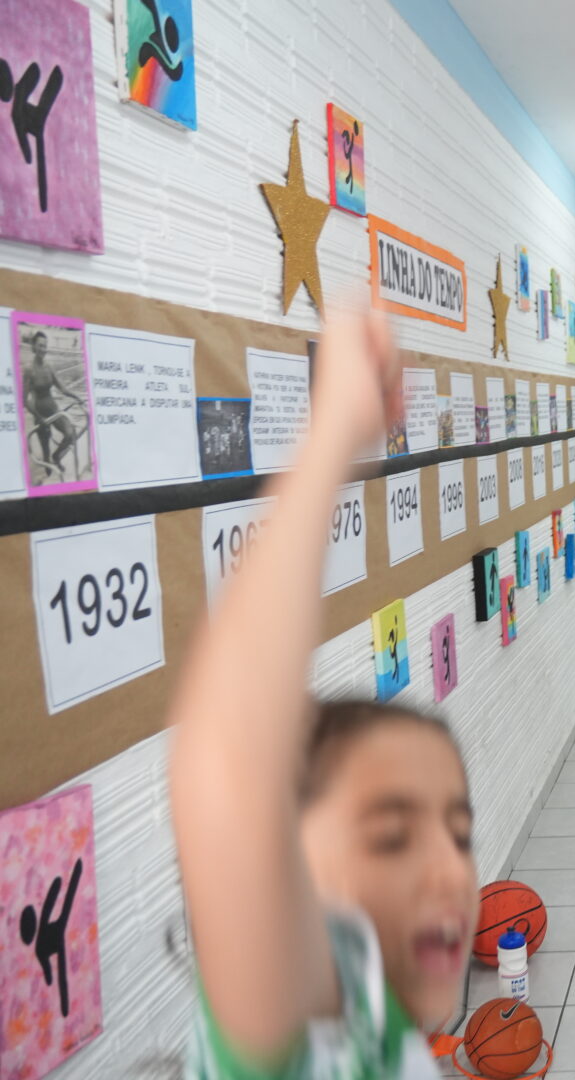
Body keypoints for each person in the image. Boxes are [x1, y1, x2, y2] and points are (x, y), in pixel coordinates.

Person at [169, 307, 475, 1078]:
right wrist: (333, 433)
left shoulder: (376, 1024)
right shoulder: (301, 1043)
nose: (450, 870)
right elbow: (231, 761)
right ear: (282, 855)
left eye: (460, 833)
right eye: (390, 837)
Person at [22, 330, 86, 481]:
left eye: (44, 346)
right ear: (33, 346)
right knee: (45, 453)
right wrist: (38, 417)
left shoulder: (49, 366)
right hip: (40, 412)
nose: (42, 349)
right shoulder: (29, 369)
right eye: (39, 345)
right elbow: (24, 400)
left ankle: (56, 456)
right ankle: (49, 479)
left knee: (70, 434)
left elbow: (62, 388)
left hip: (53, 408)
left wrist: (76, 397)